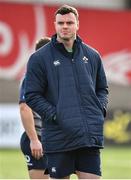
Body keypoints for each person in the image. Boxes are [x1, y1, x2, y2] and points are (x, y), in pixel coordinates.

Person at [25, 4, 108, 179]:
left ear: (77, 24)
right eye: (60, 22)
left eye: (69, 22)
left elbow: (102, 89)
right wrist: (56, 115)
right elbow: (32, 95)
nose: (65, 26)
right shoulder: (39, 58)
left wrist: (98, 110)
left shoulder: (93, 56)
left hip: (88, 138)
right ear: (54, 25)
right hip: (58, 139)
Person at [19, 37, 51, 179]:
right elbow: (24, 108)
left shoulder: (53, 76)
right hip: (38, 139)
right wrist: (34, 140)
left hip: (55, 140)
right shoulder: (31, 77)